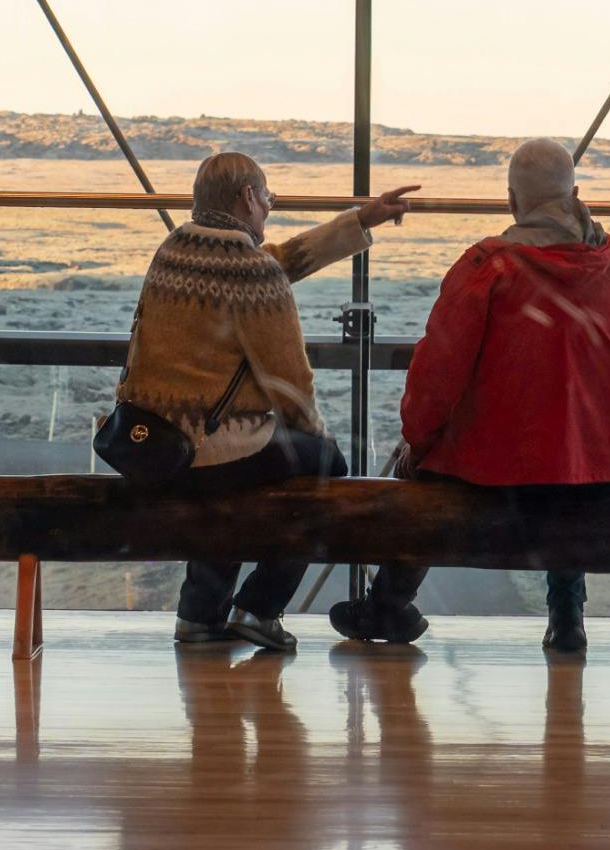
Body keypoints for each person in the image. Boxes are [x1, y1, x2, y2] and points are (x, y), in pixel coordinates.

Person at [331, 139, 610, 659]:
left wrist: (419, 441)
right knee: (566, 463)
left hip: (498, 462)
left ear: (511, 200)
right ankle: (566, 617)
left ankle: (387, 604)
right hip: (595, 459)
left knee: (424, 470)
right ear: (575, 194)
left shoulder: (487, 269)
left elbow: (437, 373)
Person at [110, 150, 419, 651]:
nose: (271, 205)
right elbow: (290, 383)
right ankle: (260, 607)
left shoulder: (173, 250)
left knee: (237, 473)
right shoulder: (251, 272)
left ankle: (199, 615)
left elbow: (277, 262)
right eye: (268, 195)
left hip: (152, 440)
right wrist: (317, 436)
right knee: (322, 468)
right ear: (248, 197)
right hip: (205, 447)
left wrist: (362, 219)